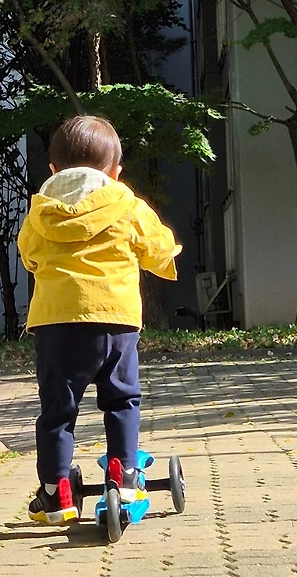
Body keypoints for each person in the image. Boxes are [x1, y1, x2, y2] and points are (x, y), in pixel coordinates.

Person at [17, 112, 180, 526]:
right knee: (122, 400)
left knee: (57, 411)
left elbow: (29, 256)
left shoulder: (41, 213)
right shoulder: (127, 205)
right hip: (115, 322)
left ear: (52, 169)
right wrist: (161, 258)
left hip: (56, 325)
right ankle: (124, 477)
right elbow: (158, 247)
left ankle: (56, 494)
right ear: (115, 171)